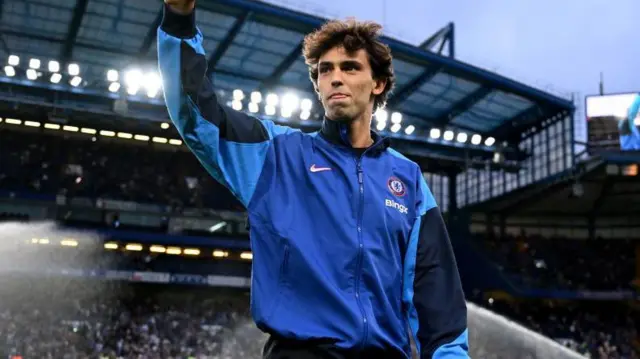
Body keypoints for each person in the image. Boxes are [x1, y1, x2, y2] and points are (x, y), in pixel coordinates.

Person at [158, 1, 469, 358]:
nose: (335, 77)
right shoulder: (276, 154)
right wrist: (179, 18)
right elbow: (195, 112)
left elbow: (435, 293)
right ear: (317, 85)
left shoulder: (409, 180)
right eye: (325, 70)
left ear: (378, 84)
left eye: (350, 67)